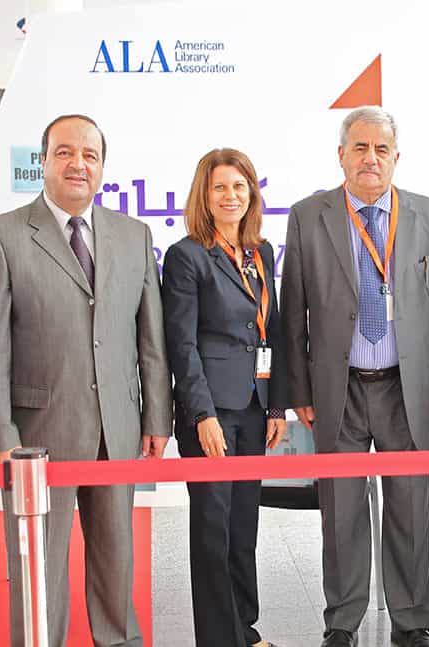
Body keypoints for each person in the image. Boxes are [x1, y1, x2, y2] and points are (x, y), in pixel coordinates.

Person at [0, 114, 172, 647]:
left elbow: (150, 339)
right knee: (39, 572)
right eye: (64, 152)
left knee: (116, 564)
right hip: (37, 440)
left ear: (102, 166)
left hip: (117, 431)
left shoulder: (133, 235)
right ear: (44, 160)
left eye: (90, 155)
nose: (78, 164)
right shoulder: (1, 237)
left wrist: (155, 417)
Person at [281, 105, 429, 647]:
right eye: (359, 147)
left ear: (396, 158)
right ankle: (342, 621)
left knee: (410, 511)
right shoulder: (307, 216)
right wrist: (298, 391)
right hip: (335, 390)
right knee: (339, 516)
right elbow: (293, 312)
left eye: (380, 149)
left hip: (405, 389)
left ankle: (412, 622)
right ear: (340, 155)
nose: (370, 158)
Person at [162, 148, 288, 647]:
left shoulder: (262, 253)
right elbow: (182, 342)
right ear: (204, 195)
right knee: (212, 528)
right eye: (220, 187)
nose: (230, 195)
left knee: (243, 524)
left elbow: (273, 330)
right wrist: (201, 414)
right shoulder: (187, 254)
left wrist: (277, 404)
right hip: (210, 412)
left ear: (251, 192)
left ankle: (246, 630)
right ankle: (219, 637)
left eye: (239, 186)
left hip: (255, 408)